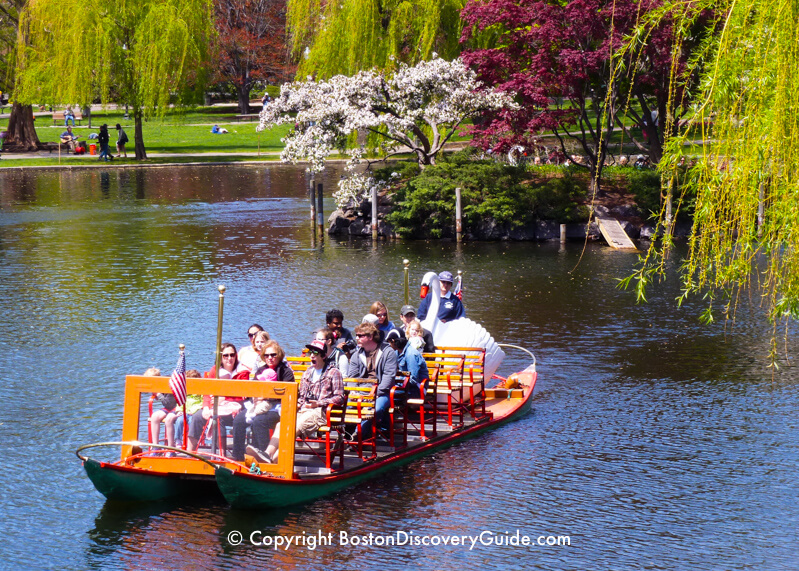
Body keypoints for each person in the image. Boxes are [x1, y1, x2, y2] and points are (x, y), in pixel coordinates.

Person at [252, 339, 344, 463]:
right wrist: (296, 405)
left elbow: (340, 397)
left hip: (320, 411)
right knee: (281, 425)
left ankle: (276, 462)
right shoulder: (308, 373)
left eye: (315, 352)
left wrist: (318, 403)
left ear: (323, 355)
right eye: (310, 352)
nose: (311, 355)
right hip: (303, 409)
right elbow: (301, 397)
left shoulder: (334, 372)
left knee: (294, 428)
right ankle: (267, 455)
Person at [232, 340, 294, 461]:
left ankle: (264, 457)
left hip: (278, 407)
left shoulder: (286, 372)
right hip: (259, 405)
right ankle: (238, 457)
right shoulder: (260, 371)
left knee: (259, 422)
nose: (269, 358)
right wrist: (255, 398)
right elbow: (253, 390)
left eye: (273, 355)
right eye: (266, 355)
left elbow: (287, 394)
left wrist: (266, 397)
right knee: (238, 420)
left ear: (279, 355)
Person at [186, 344, 246, 452]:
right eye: (225, 355)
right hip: (216, 405)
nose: (229, 358)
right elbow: (207, 392)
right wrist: (205, 407)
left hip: (237, 406)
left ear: (236, 356)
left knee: (219, 418)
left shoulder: (242, 372)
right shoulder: (215, 370)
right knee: (197, 417)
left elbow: (243, 395)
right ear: (221, 357)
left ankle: (222, 455)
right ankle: (190, 452)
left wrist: (225, 398)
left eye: (232, 355)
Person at [347, 322, 399, 438]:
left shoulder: (388, 352)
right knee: (344, 406)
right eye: (356, 335)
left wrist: (375, 394)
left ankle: (359, 434)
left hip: (381, 393)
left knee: (376, 409)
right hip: (360, 391)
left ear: (370, 337)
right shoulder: (357, 355)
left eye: (361, 336)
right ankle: (346, 433)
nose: (357, 338)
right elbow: (352, 376)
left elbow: (388, 377)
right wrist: (353, 391)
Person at [386, 334, 428, 400]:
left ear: (394, 341)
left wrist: (397, 382)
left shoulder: (411, 354)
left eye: (389, 342)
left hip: (416, 389)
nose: (389, 345)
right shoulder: (397, 352)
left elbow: (413, 379)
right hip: (403, 386)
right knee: (383, 392)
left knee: (386, 396)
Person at [146, 367, 180, 448]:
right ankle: (155, 445)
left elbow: (169, 404)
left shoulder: (168, 384)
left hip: (177, 406)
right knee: (154, 417)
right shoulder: (158, 386)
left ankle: (171, 446)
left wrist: (158, 394)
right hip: (168, 408)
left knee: (169, 419)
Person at [173, 369, 203, 445]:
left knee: (192, 422)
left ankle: (193, 442)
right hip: (184, 411)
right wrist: (179, 410)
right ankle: (178, 440)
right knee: (179, 421)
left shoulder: (201, 390)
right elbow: (179, 401)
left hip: (194, 412)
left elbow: (202, 402)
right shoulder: (184, 390)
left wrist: (194, 411)